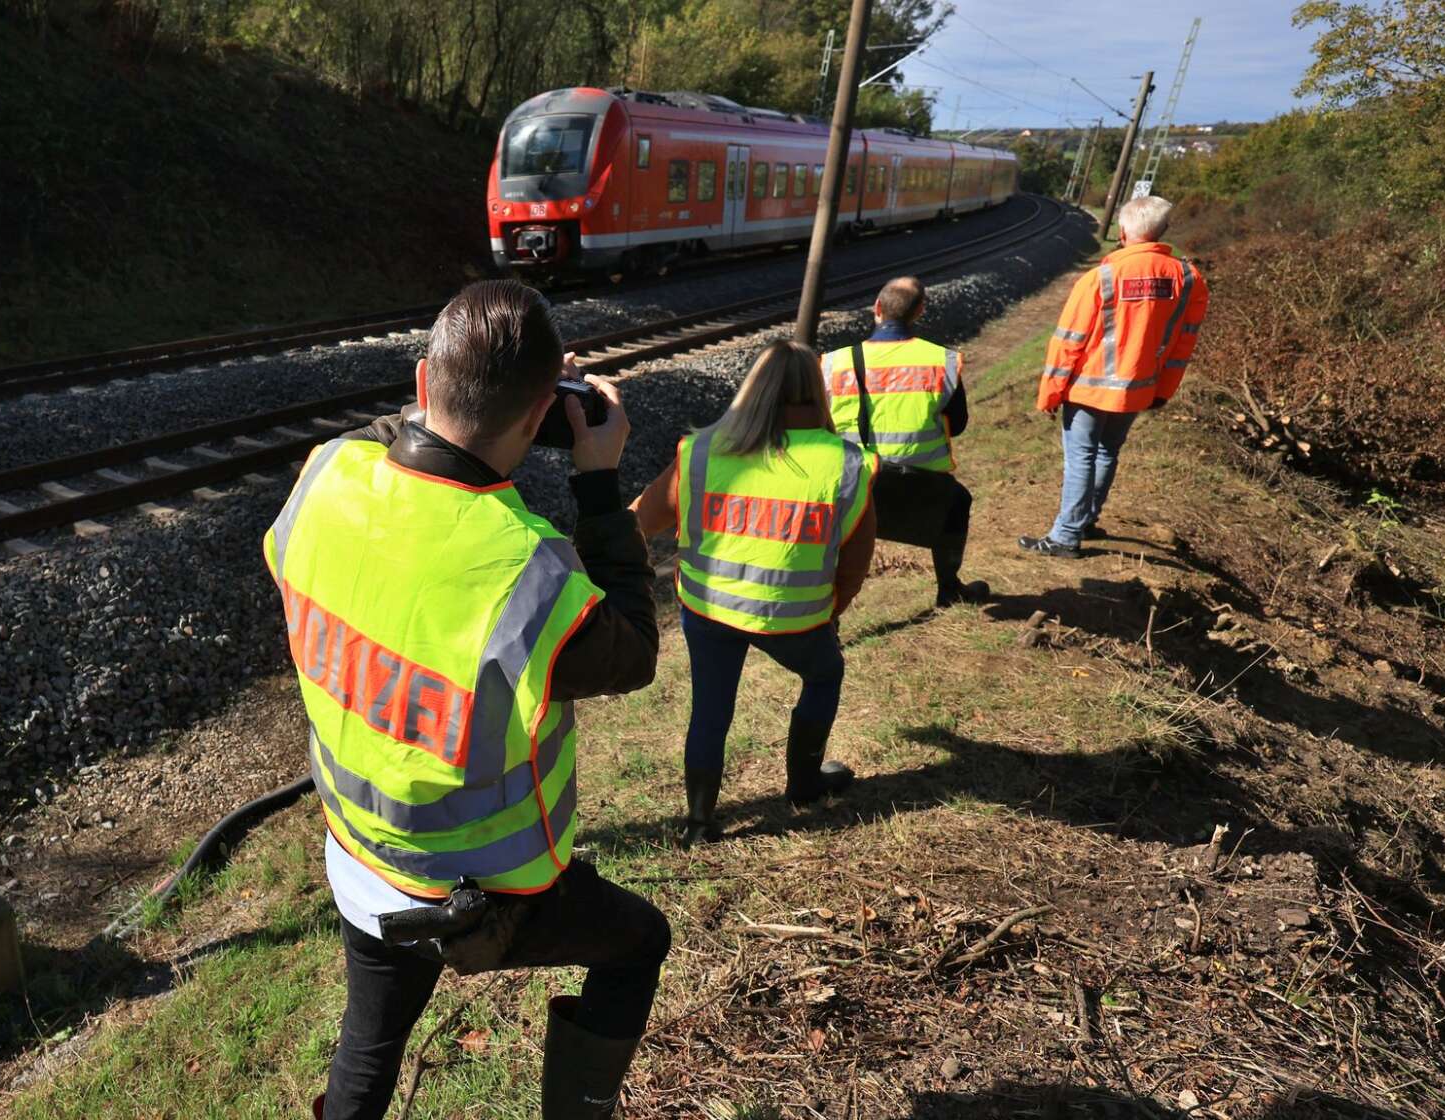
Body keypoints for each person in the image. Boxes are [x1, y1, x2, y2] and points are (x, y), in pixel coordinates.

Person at [264, 279, 670, 1120]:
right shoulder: (530, 574)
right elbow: (634, 653)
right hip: (491, 895)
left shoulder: (326, 476)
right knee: (639, 944)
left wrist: (461, 403)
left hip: (362, 856)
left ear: (420, 387)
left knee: (368, 1049)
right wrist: (597, 481)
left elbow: (388, 440)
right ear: (536, 421)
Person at [632, 341, 878, 847]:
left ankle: (699, 822)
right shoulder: (847, 466)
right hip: (795, 620)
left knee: (710, 709)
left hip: (707, 609)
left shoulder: (701, 451)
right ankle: (804, 786)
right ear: (817, 392)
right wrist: (829, 614)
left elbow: (641, 519)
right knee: (825, 672)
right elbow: (854, 568)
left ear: (752, 388)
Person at [1020, 194, 1209, 557]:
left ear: (1123, 232)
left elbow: (1068, 343)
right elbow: (1183, 342)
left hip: (1089, 390)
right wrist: (1163, 390)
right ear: (1162, 232)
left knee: (1082, 457)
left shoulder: (1100, 278)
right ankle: (1086, 519)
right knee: (1107, 452)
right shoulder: (1188, 278)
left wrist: (1051, 392)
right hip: (1140, 388)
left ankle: (1065, 537)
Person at [819, 276, 989, 608]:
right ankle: (949, 589)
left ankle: (829, 612)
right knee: (958, 502)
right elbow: (958, 426)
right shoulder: (942, 361)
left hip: (856, 490)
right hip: (922, 492)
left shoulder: (833, 363)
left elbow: (820, 427)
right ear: (920, 311)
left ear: (877, 309)